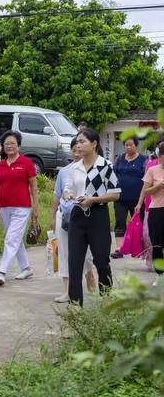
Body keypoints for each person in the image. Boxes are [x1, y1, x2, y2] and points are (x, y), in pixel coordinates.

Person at [64, 128, 121, 306]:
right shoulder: (74, 167)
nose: (78, 145)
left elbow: (115, 194)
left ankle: (107, 301)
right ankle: (75, 307)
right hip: (78, 216)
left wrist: (93, 200)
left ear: (94, 143)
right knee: (74, 263)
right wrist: (67, 194)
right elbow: (69, 188)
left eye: (82, 141)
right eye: (77, 142)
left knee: (101, 261)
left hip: (98, 216)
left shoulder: (106, 166)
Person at [0, 130, 39, 286]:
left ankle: (2, 272)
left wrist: (35, 208)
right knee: (15, 239)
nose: (9, 146)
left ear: (18, 145)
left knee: (11, 239)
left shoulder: (26, 163)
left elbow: (33, 186)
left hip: (22, 207)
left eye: (12, 143)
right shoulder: (2, 164)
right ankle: (26, 268)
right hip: (4, 207)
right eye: (6, 144)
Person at [52, 137, 95, 303]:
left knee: (85, 254)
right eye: (74, 150)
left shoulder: (91, 170)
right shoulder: (64, 172)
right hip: (64, 217)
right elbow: (57, 195)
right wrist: (53, 216)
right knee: (64, 253)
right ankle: (67, 291)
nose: (77, 153)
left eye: (80, 149)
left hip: (85, 217)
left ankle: (89, 270)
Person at [111, 136, 147, 258]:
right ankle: (119, 249)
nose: (128, 147)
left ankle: (140, 249)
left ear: (136, 146)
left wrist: (141, 201)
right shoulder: (119, 159)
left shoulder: (143, 160)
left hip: (138, 199)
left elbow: (147, 179)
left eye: (131, 145)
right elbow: (113, 175)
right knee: (120, 222)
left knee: (139, 224)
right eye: (126, 145)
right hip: (120, 198)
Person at [142, 140, 164, 286]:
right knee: (157, 245)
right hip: (156, 210)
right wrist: (158, 186)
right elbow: (145, 191)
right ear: (160, 156)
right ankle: (159, 275)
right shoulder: (153, 170)